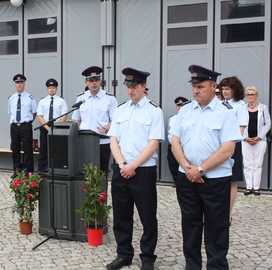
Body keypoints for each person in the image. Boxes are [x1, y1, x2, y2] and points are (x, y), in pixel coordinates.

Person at [171, 65, 241, 269]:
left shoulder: (225, 112)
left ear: (214, 86)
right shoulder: (185, 111)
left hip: (215, 180)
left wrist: (200, 169)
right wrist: (187, 167)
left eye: (200, 86)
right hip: (187, 178)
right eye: (193, 86)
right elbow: (175, 142)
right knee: (190, 226)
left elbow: (228, 149)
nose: (195, 91)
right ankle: (192, 266)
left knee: (216, 228)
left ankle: (217, 266)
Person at [106, 68, 164, 270]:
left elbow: (153, 143)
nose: (130, 91)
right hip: (121, 169)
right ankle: (124, 255)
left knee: (147, 216)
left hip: (143, 171)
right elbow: (113, 139)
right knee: (121, 215)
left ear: (143, 86)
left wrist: (133, 165)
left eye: (134, 87)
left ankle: (147, 258)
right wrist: (122, 164)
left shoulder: (154, 111)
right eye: (128, 87)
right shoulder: (121, 109)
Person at [72, 66, 117, 175]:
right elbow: (76, 120)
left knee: (102, 172)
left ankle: (102, 192)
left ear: (100, 81)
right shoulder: (81, 98)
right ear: (86, 82)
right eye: (91, 81)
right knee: (85, 172)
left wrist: (106, 128)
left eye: (96, 80)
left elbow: (115, 119)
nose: (94, 83)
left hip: (103, 142)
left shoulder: (109, 98)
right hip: (84, 142)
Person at [219, 76, 247, 221]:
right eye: (223, 89)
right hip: (219, 146)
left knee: (232, 180)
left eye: (227, 89)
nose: (224, 92)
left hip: (233, 145)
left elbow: (240, 128)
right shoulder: (219, 104)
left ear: (234, 90)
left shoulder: (240, 106)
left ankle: (228, 213)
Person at [242, 86, 271, 196]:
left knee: (258, 164)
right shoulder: (242, 109)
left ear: (256, 96)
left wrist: (259, 136)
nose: (250, 96)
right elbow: (238, 124)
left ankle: (257, 187)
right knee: (248, 164)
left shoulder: (263, 108)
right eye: (248, 94)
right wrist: (245, 137)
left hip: (260, 141)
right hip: (246, 141)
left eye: (252, 94)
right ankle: (249, 187)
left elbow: (267, 123)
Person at [8, 74, 37, 179]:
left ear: (24, 84)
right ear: (15, 85)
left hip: (25, 125)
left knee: (28, 149)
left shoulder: (30, 98)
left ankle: (29, 171)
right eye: (17, 83)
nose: (19, 85)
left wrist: (27, 123)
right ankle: (17, 171)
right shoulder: (11, 98)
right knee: (15, 149)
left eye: (21, 82)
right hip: (14, 126)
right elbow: (10, 112)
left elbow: (34, 113)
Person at [36, 78, 68, 172]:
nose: (51, 89)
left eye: (53, 87)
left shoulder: (61, 101)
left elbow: (64, 116)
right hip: (45, 129)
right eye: (50, 88)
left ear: (56, 89)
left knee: (58, 150)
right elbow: (39, 117)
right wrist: (48, 128)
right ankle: (42, 170)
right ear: (47, 89)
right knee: (43, 150)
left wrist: (57, 128)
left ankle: (58, 170)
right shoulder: (42, 101)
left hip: (58, 129)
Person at [167, 96, 190, 184]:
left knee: (184, 165)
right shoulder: (172, 118)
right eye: (178, 106)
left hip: (183, 147)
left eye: (182, 106)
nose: (180, 108)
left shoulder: (189, 118)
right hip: (172, 146)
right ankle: (176, 182)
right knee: (173, 165)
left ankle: (184, 183)